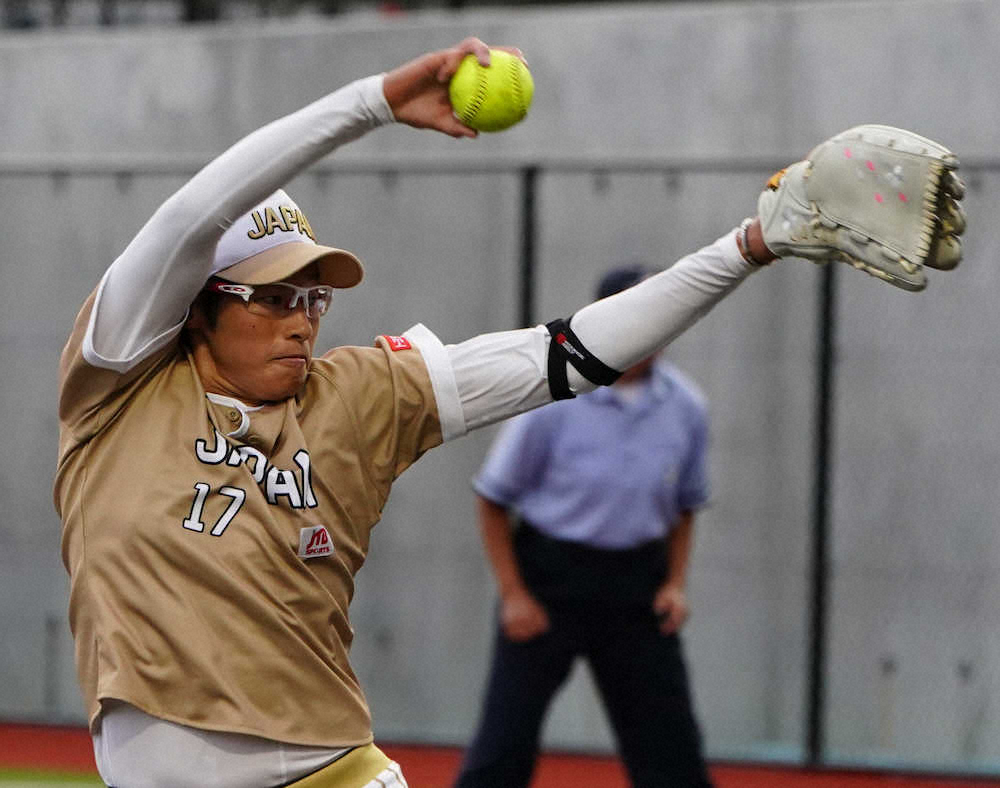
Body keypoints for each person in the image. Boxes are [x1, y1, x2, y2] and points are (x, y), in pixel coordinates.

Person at [53, 34, 955, 788]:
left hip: (326, 769)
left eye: (312, 298)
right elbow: (188, 217)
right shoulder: (121, 380)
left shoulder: (361, 396)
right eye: (272, 297)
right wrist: (371, 102)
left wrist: (748, 245)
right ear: (200, 304)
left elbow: (566, 354)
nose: (302, 318)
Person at [454, 264, 714, 788]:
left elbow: (687, 505)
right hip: (550, 580)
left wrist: (674, 585)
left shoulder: (686, 407)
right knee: (503, 745)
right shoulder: (552, 398)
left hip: (638, 585)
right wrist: (513, 595)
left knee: (671, 749)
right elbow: (493, 497)